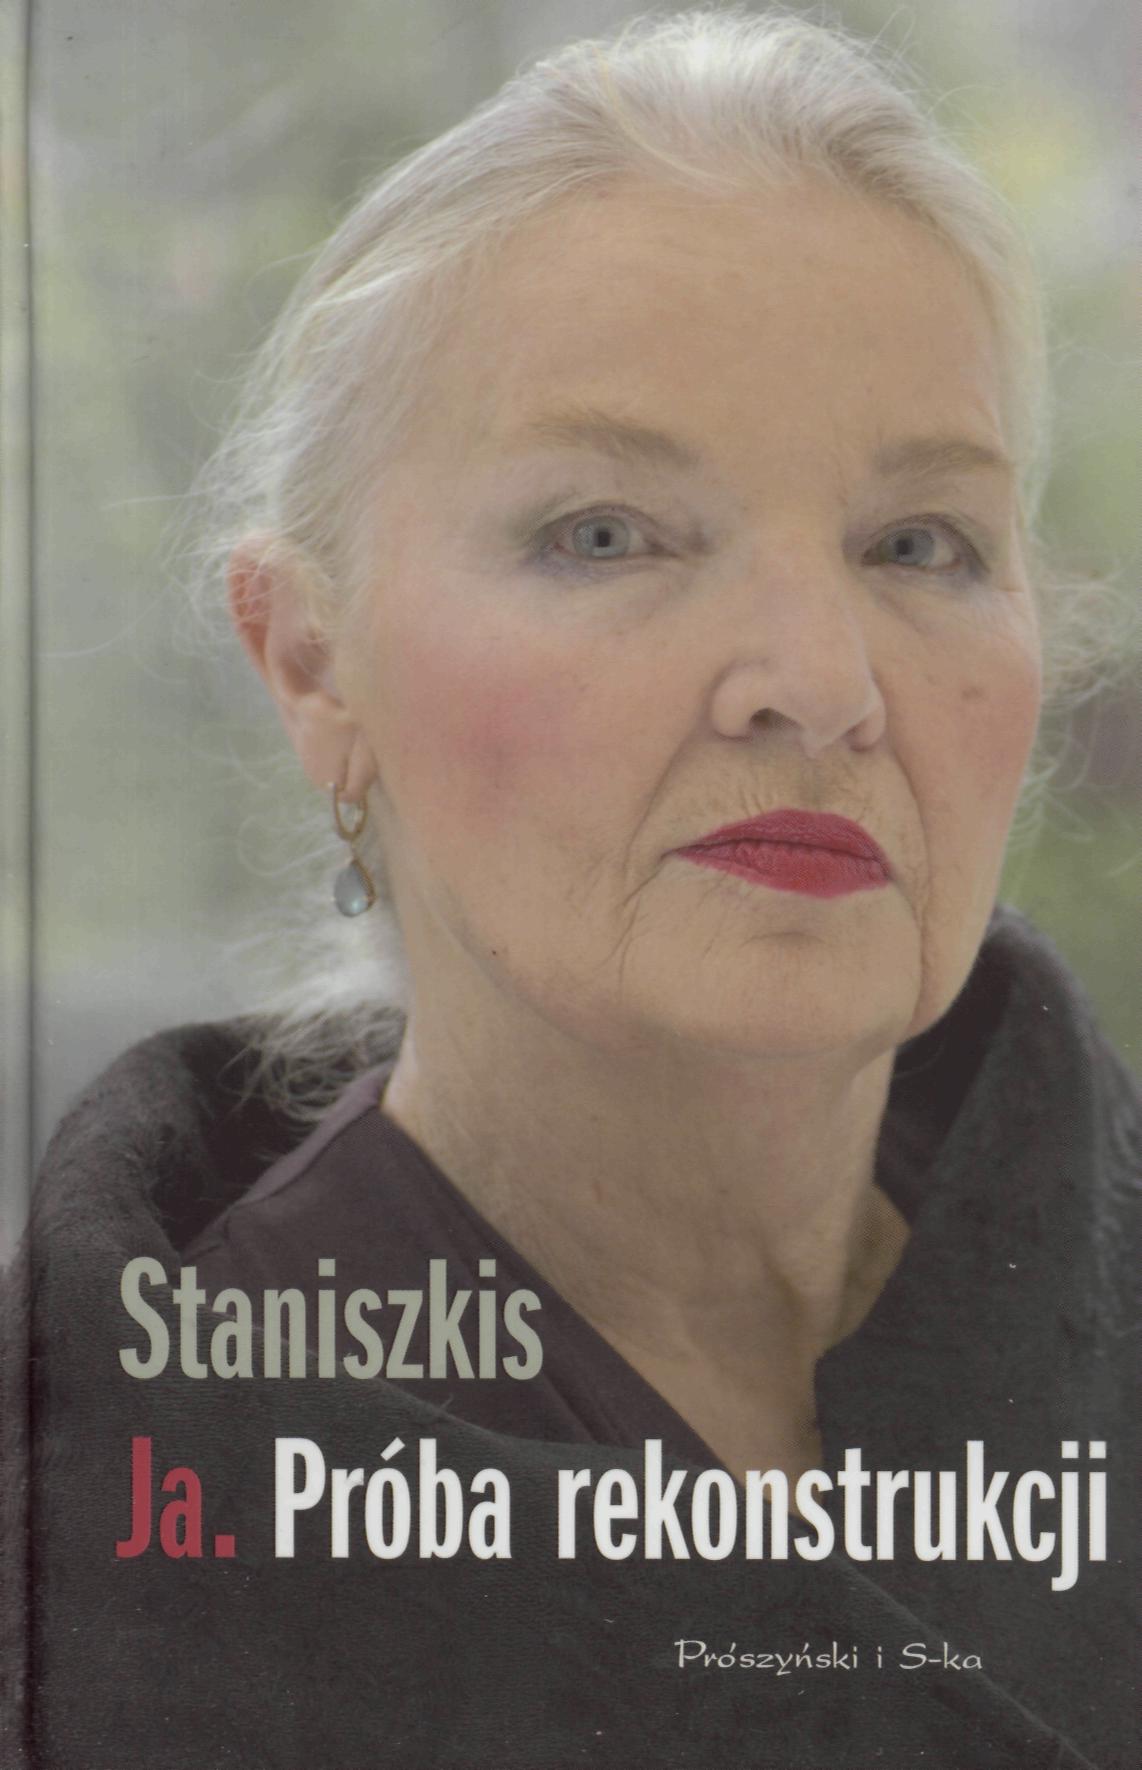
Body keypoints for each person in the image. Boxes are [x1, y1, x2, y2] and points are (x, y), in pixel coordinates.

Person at [3, 10, 1137, 1768]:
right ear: (311, 660)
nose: (817, 680)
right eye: (605, 533)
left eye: (919, 543)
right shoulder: (97, 1583)